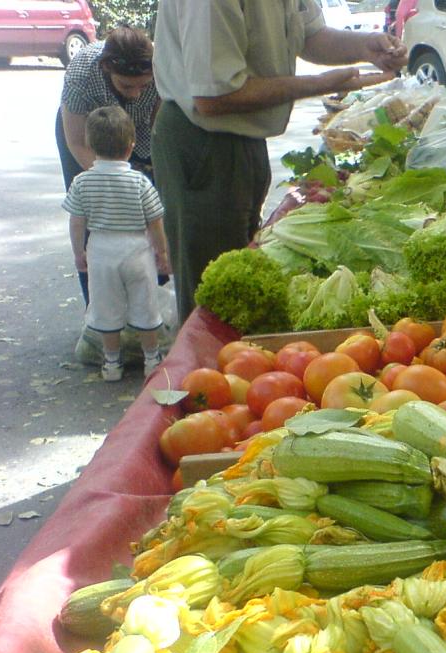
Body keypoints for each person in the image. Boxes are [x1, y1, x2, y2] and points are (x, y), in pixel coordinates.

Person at [152, 0, 408, 325]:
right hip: (202, 143)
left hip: (244, 138)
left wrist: (367, 46)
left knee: (244, 286)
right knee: (215, 305)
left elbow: (310, 35)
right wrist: (321, 84)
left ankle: (237, 368)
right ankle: (206, 375)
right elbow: (213, 98)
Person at [63, 107, 170, 383]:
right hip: (136, 248)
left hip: (100, 249)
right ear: (131, 146)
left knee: (106, 308)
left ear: (89, 144)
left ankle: (111, 362)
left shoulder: (82, 182)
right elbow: (155, 222)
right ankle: (151, 358)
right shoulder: (139, 182)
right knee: (145, 305)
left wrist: (79, 252)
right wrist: (162, 252)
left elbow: (77, 221)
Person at [56, 26, 159, 304]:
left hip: (142, 131)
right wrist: (112, 182)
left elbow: (160, 129)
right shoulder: (82, 73)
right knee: (94, 203)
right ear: (106, 68)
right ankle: (98, 311)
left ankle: (149, 297)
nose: (137, 94)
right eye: (127, 85)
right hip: (89, 132)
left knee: (151, 205)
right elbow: (77, 141)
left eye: (144, 85)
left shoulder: (162, 69)